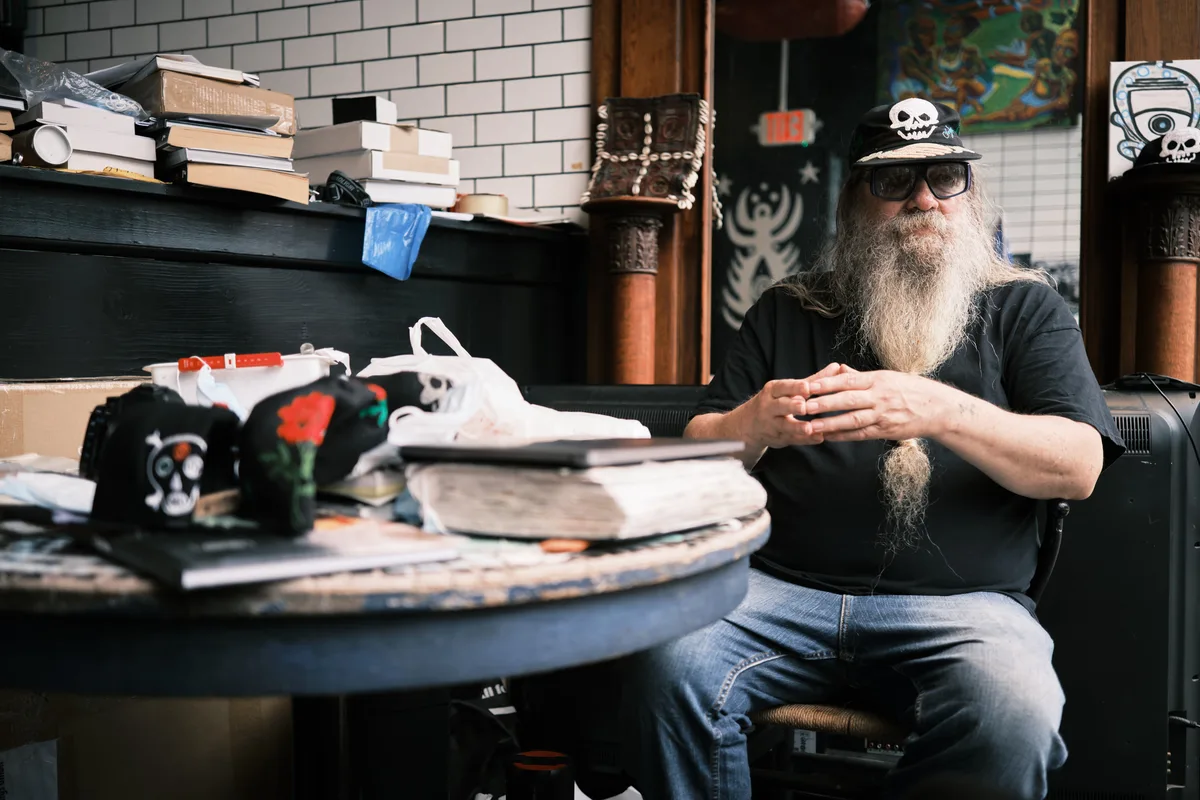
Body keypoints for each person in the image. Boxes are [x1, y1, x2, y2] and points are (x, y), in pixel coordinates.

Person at [621, 101, 1124, 800]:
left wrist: (940, 409)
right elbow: (699, 452)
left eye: (945, 176)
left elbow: (1078, 464)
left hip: (962, 609)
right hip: (774, 592)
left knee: (1015, 710)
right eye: (893, 182)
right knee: (661, 666)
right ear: (854, 203)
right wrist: (754, 423)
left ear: (969, 194)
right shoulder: (789, 307)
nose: (923, 199)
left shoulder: (1024, 310)